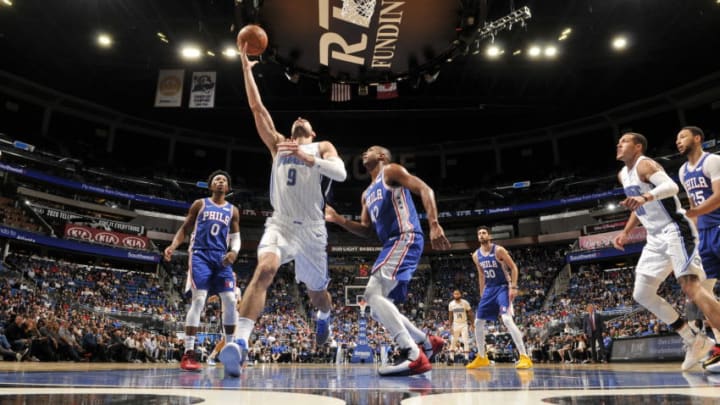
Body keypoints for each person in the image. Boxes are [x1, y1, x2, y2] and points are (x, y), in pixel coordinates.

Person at [219, 43, 348, 378]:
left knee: (318, 295)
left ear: (313, 133)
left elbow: (342, 173)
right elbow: (257, 108)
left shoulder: (322, 145)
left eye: (306, 120)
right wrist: (246, 70)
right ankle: (241, 344)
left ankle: (324, 320)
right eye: (297, 118)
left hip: (313, 231)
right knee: (264, 270)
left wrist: (311, 158)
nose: (301, 117)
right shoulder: (278, 144)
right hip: (280, 225)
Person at [325, 145, 450, 377]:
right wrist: (337, 219)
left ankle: (413, 353)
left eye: (370, 149)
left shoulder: (390, 171)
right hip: (391, 243)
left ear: (381, 156)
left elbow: (425, 189)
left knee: (371, 295)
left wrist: (434, 223)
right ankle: (427, 340)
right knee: (376, 309)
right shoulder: (366, 194)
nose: (364, 152)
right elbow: (366, 230)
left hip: (405, 235)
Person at [612, 131, 718, 371]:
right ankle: (694, 340)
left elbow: (670, 186)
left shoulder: (645, 164)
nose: (619, 144)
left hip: (674, 230)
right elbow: (637, 206)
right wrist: (626, 232)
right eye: (618, 142)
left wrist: (647, 196)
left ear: (638, 147)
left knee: (692, 288)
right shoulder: (623, 175)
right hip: (654, 238)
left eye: (624, 141)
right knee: (642, 293)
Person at [164, 170, 241, 371]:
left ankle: (230, 348)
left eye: (224, 180)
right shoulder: (200, 204)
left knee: (231, 300)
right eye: (217, 179)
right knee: (199, 300)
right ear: (211, 185)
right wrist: (173, 245)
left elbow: (236, 237)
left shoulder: (233, 210)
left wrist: (234, 251)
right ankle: (188, 353)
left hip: (221, 258)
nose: (221, 182)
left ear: (228, 188)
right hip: (200, 255)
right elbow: (185, 228)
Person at [676, 125, 720, 371]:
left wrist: (692, 213)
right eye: (676, 138)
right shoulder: (683, 171)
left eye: (682, 136)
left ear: (697, 138)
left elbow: (719, 195)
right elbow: (693, 201)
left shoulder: (712, 161)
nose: (678, 141)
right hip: (703, 235)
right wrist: (693, 236)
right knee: (702, 295)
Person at [466, 226, 533, 370]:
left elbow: (514, 268)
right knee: (478, 322)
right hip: (489, 289)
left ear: (489, 236)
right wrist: (482, 293)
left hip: (503, 286)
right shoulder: (476, 255)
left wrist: (514, 287)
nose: (481, 235)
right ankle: (482, 357)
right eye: (479, 233)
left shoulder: (499, 250)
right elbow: (481, 275)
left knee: (507, 319)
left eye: (484, 233)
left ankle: (524, 356)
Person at [448, 289, 473, 364]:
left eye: (457, 294)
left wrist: (472, 324)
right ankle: (451, 358)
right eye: (455, 294)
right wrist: (450, 326)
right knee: (453, 341)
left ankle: (466, 358)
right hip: (455, 324)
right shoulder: (451, 304)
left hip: (464, 324)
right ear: (453, 295)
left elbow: (470, 314)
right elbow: (450, 316)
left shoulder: (465, 303)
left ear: (460, 295)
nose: (456, 295)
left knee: (465, 341)